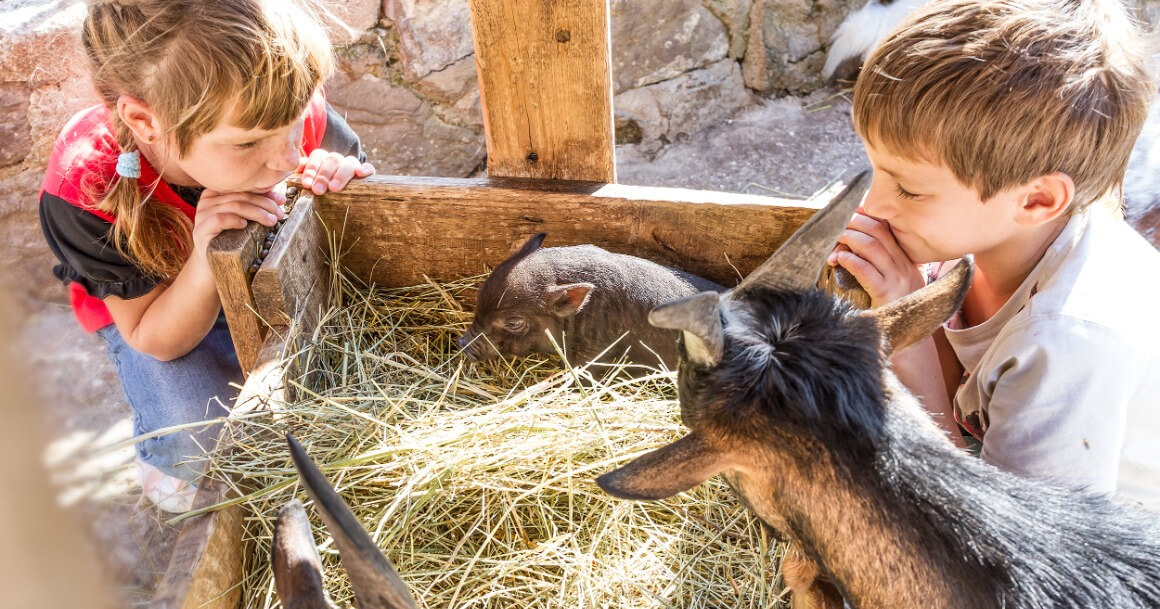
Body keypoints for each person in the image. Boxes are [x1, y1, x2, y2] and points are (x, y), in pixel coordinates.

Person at [39, 0, 375, 512]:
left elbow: (360, 194)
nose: (288, 157)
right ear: (143, 120)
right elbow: (155, 339)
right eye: (247, 144)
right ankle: (179, 492)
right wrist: (205, 257)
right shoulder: (87, 185)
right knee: (200, 442)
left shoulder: (275, 108)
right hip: (156, 311)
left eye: (293, 126)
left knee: (341, 375)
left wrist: (334, 175)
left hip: (262, 272)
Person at [828, 0, 1160, 501]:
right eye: (876, 170)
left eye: (909, 189)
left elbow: (1004, 546)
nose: (875, 205)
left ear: (1037, 199)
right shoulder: (992, 238)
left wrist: (910, 331)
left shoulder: (1069, 344)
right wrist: (915, 306)